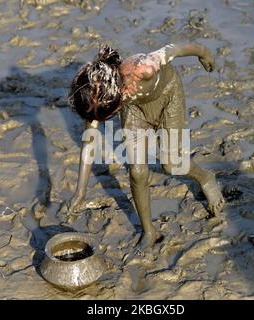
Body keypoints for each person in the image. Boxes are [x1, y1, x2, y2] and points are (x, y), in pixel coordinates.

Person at [62, 43, 225, 252]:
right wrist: (81, 191)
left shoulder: (143, 68)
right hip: (135, 111)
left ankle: (205, 178)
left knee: (173, 164)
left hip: (168, 98)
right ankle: (149, 231)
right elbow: (89, 141)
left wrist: (204, 52)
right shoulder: (96, 93)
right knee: (137, 172)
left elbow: (173, 49)